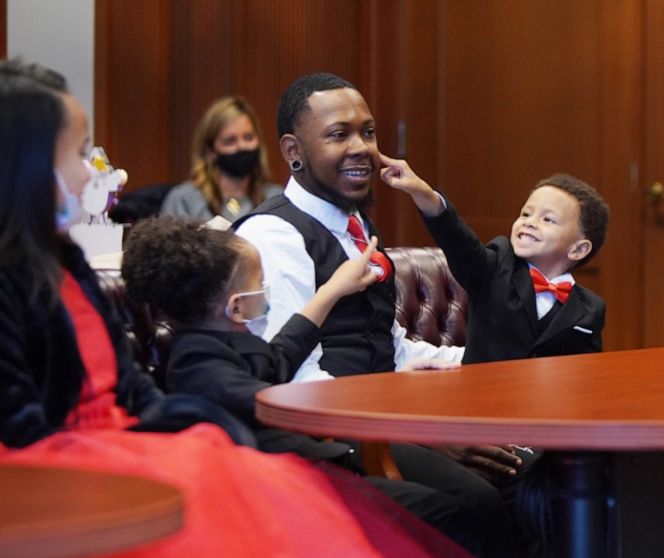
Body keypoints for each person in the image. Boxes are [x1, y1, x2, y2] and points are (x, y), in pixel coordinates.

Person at [0, 58, 471, 557]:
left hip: (125, 440)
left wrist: (187, 431)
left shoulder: (66, 262)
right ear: (29, 166)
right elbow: (22, 422)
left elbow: (130, 387)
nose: (92, 171)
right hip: (54, 467)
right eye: (78, 153)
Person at [235, 72, 520, 555]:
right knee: (480, 505)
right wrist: (422, 431)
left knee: (532, 472)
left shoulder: (354, 225)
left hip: (381, 417)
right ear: (292, 150)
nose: (362, 147)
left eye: (367, 132)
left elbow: (390, 345)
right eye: (338, 134)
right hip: (333, 440)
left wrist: (483, 366)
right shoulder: (273, 235)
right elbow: (293, 380)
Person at [384, 166, 609, 363]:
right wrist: (424, 195)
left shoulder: (590, 309)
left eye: (547, 219)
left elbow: (589, 373)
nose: (529, 223)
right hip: (481, 401)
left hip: (548, 409)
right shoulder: (496, 266)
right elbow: (458, 240)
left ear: (578, 249)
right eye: (526, 213)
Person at [160, 96, 282, 222]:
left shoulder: (276, 198)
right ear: (210, 151)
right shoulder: (184, 199)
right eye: (230, 141)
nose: (241, 146)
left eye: (248, 137)